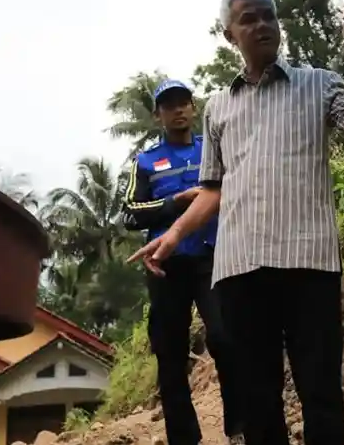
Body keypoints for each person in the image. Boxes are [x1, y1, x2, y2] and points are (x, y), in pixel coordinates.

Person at [129, 0, 344, 445]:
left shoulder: (320, 83)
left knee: (321, 392)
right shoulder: (219, 108)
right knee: (259, 401)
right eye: (248, 18)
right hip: (239, 270)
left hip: (310, 262)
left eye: (268, 15)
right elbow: (212, 190)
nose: (262, 24)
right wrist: (172, 235)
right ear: (229, 34)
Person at [124, 78, 245, 445]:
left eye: (183, 102)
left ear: (193, 108)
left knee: (225, 338)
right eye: (168, 105)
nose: (178, 110)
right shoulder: (144, 162)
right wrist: (178, 200)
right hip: (165, 265)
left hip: (213, 257)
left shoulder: (213, 148)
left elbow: (236, 189)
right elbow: (130, 213)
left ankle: (239, 429)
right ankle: (183, 438)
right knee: (171, 354)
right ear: (158, 115)